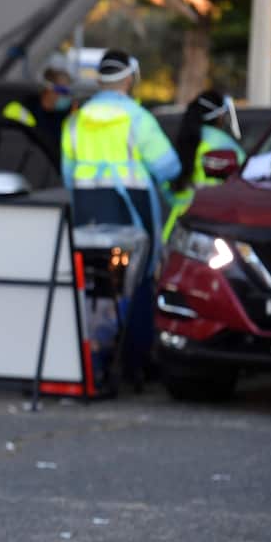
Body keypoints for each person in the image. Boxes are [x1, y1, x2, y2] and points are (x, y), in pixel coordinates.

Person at [61, 49, 180, 381]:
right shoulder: (139, 119)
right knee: (137, 280)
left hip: (88, 210)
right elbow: (168, 166)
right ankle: (135, 362)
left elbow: (68, 174)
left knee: (95, 283)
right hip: (132, 210)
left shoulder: (75, 121)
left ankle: (92, 358)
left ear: (99, 80)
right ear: (130, 78)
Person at [162, 90, 245, 240]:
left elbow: (167, 184)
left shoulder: (184, 141)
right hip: (211, 225)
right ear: (220, 116)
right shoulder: (222, 144)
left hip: (178, 226)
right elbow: (245, 178)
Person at [2, 62, 75, 150]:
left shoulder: (66, 114)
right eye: (63, 91)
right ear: (48, 89)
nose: (66, 97)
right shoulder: (24, 110)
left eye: (69, 92)